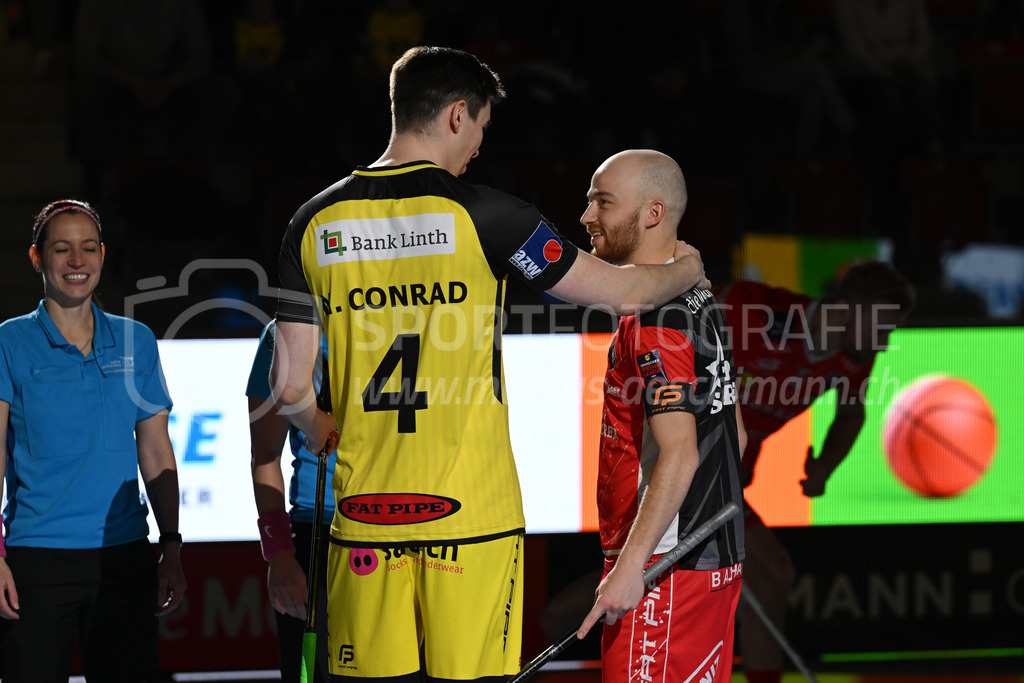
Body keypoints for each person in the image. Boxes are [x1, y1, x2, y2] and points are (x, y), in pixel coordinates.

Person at [270, 46, 711, 681]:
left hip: (365, 516)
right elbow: (625, 293)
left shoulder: (312, 222)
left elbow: (289, 388)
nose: (478, 145)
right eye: (480, 125)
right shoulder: (493, 215)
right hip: (472, 518)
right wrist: (689, 268)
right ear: (457, 115)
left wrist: (324, 430)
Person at [575, 150, 746, 683]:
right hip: (706, 554)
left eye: (603, 202)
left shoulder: (657, 318)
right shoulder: (699, 297)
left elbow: (681, 454)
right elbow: (736, 436)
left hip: (665, 569)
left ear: (653, 213)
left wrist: (632, 568)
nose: (586, 216)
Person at [0, 199, 186, 682]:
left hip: (123, 559)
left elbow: (155, 450)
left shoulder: (136, 340)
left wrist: (171, 545)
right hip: (36, 560)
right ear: (37, 258)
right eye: (62, 249)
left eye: (88, 248)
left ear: (103, 255)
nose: (76, 261)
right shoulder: (8, 341)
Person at [714, 260, 915, 683]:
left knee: (643, 576)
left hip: (726, 481)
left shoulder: (853, 358)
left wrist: (825, 465)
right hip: (685, 470)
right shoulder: (755, 311)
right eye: (880, 331)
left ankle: (558, 622)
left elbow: (851, 414)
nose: (883, 346)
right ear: (843, 309)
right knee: (771, 573)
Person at [246, 319, 332, 683]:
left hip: (403, 527)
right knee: (309, 675)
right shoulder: (282, 332)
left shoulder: (409, 315)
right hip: (316, 534)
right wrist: (279, 554)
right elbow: (265, 456)